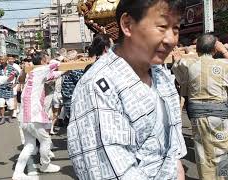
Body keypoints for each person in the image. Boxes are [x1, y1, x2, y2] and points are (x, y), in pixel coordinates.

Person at [67, 0, 187, 179]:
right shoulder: (98, 86)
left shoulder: (161, 75)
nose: (171, 39)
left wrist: (177, 169)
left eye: (176, 29)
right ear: (127, 24)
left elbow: (173, 147)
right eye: (162, 27)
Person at [172, 34, 228, 180]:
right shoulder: (224, 65)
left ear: (197, 48)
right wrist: (225, 51)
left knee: (202, 153)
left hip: (198, 119)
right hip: (220, 117)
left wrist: (179, 57)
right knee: (222, 153)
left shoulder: (187, 64)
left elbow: (179, 73)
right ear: (215, 49)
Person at [12, 52, 62, 180]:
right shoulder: (40, 70)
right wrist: (64, 59)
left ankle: (17, 173)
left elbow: (55, 74)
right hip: (32, 115)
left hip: (25, 116)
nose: (49, 60)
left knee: (29, 145)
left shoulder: (33, 73)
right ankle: (45, 165)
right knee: (45, 140)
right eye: (47, 58)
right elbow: (57, 65)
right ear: (43, 60)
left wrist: (63, 72)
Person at [0, 56, 18, 125]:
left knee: (11, 106)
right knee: (1, 105)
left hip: (9, 89)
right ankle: (2, 118)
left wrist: (15, 84)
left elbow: (18, 74)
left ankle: (9, 117)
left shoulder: (11, 68)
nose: (1, 61)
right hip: (1, 88)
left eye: (2, 59)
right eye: (0, 59)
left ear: (6, 60)